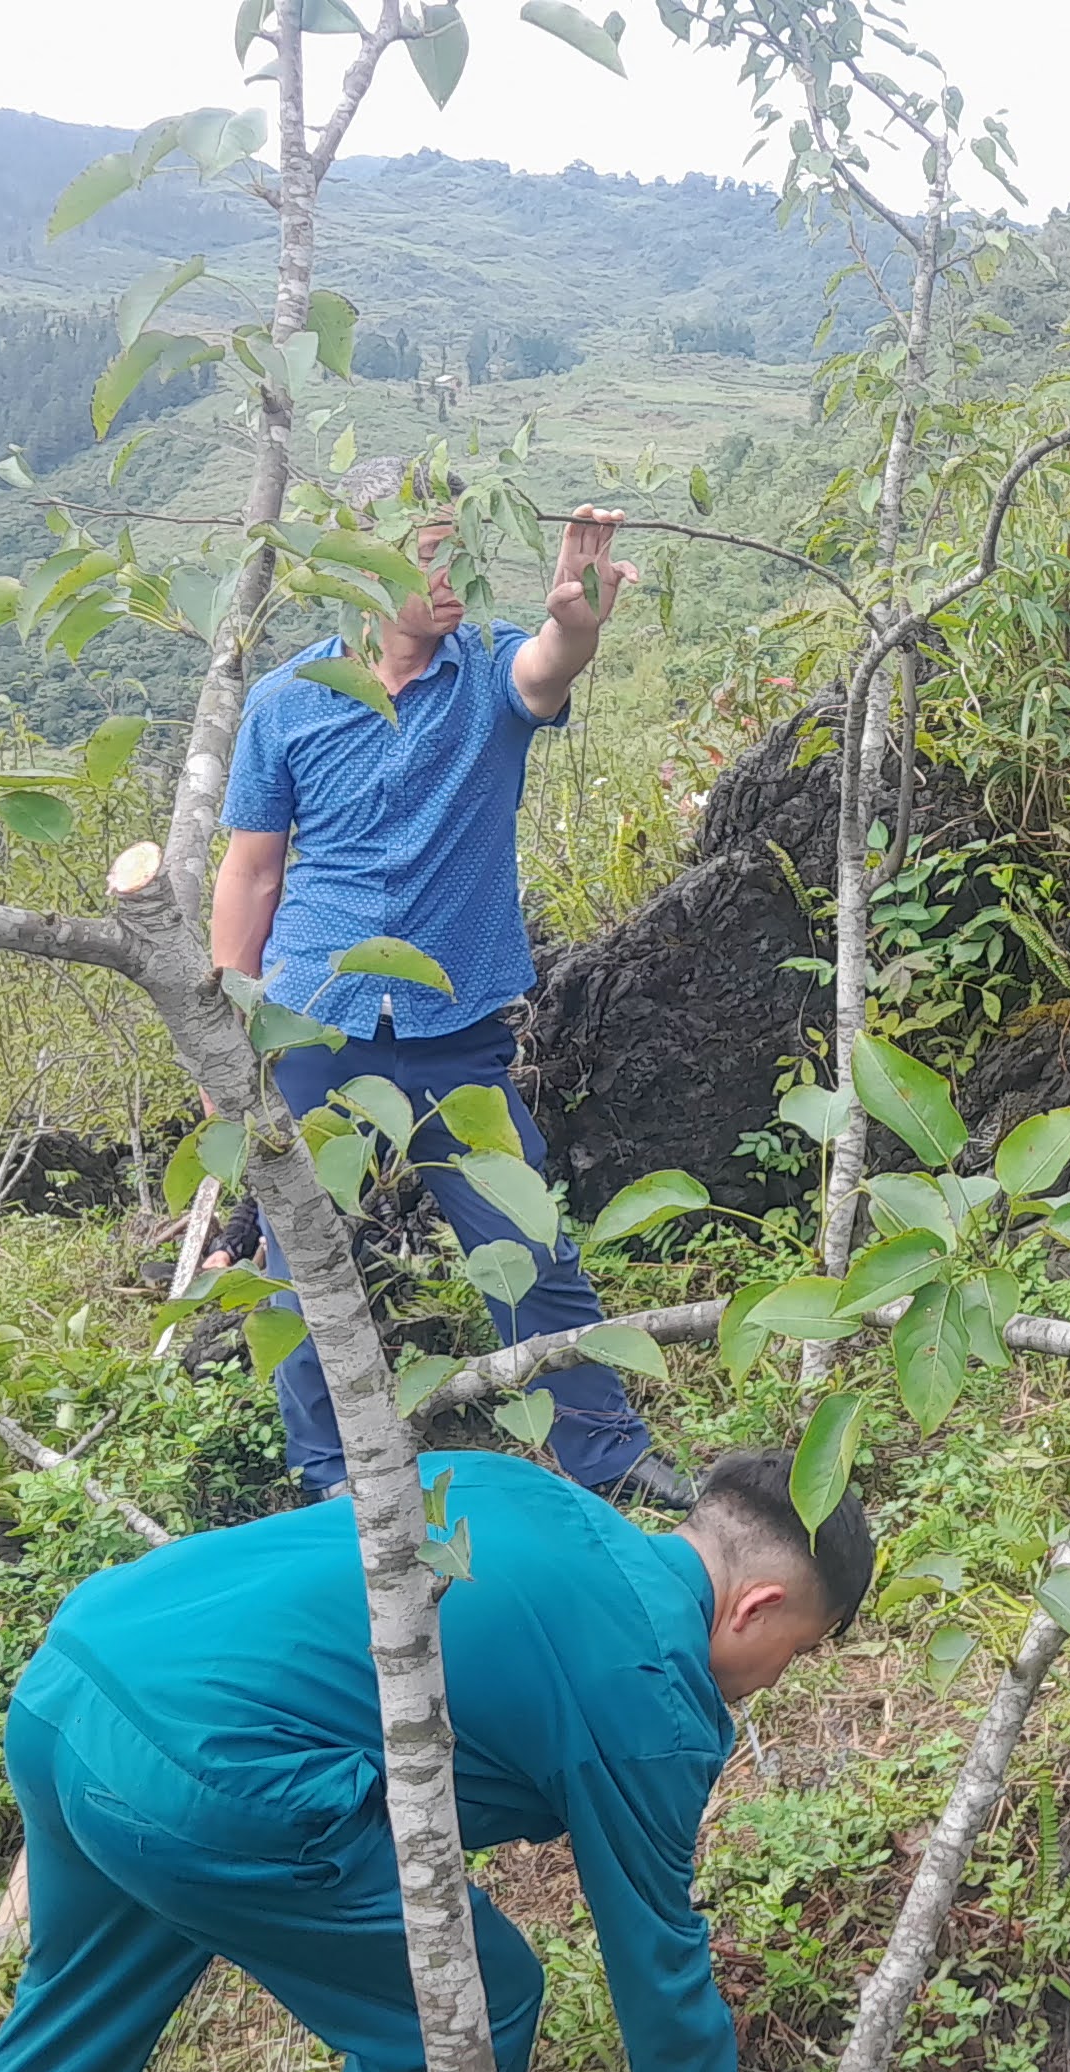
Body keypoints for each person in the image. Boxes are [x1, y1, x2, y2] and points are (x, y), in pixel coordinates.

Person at [0, 1448, 872, 2072]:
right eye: (798, 1649)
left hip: (82, 1673)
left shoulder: (521, 1486)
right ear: (757, 1605)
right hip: (203, 1774)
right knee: (464, 2011)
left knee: (75, 2020)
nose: (773, 1678)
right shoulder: (651, 1692)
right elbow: (655, 1952)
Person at [213, 486, 681, 1509]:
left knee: (525, 1243)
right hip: (311, 1027)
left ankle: (607, 1455)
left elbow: (546, 670)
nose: (453, 579)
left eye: (464, 557)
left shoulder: (487, 676)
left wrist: (574, 622)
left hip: (454, 1028)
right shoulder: (287, 703)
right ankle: (337, 1483)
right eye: (431, 559)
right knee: (306, 1268)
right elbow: (251, 875)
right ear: (362, 573)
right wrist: (226, 1041)